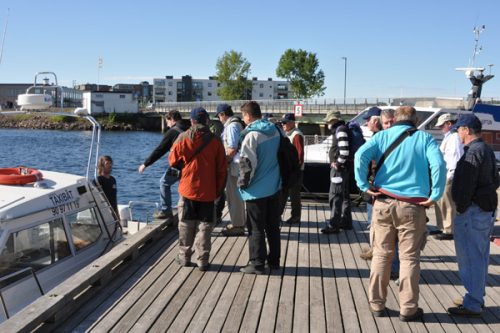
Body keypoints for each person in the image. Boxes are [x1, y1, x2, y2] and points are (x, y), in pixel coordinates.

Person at [354, 106, 446, 322]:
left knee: (381, 255)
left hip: (383, 203)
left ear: (395, 119)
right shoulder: (425, 139)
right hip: (413, 207)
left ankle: (376, 304)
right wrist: (436, 194)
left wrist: (362, 184)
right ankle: (408, 308)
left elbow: (360, 156)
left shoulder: (383, 136)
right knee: (409, 258)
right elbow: (439, 165)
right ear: (415, 120)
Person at [447, 114, 499, 317]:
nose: (458, 134)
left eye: (459, 130)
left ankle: (473, 303)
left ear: (466, 130)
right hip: (485, 210)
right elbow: (495, 180)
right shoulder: (486, 149)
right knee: (480, 255)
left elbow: (466, 185)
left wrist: (460, 206)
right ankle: (476, 295)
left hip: (473, 212)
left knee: (470, 257)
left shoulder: (472, 152)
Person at [168, 107, 227, 271]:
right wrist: (218, 191)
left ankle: (184, 257)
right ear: (206, 121)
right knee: (205, 227)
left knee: (186, 224)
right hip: (208, 191)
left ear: (192, 121)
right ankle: (203, 260)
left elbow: (172, 160)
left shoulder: (183, 137)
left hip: (188, 189)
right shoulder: (215, 141)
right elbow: (222, 169)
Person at [238, 101, 282, 275]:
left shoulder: (252, 136)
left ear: (248, 116)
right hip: (274, 186)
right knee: (272, 225)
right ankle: (274, 261)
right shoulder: (276, 130)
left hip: (256, 190)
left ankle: (257, 263)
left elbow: (247, 165)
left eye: (243, 116)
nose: (243, 119)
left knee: (256, 227)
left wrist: (243, 185)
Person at [138, 110, 189, 223]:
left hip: (178, 167)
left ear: (172, 119)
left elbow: (160, 150)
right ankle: (185, 212)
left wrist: (145, 164)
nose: (167, 125)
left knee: (164, 182)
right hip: (190, 166)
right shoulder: (188, 128)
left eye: (167, 122)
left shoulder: (173, 132)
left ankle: (166, 211)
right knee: (184, 189)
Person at [431, 113, 463, 240]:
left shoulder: (454, 138)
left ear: (449, 124)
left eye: (441, 125)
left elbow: (455, 158)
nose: (440, 128)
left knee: (447, 203)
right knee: (440, 202)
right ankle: (442, 227)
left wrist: (450, 176)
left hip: (448, 175)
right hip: (444, 174)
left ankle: (449, 229)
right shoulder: (449, 137)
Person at [216, 103, 246, 236]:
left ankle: (238, 225)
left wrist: (223, 163)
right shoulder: (236, 124)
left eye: (218, 116)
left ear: (222, 114)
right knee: (235, 196)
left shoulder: (232, 126)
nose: (219, 119)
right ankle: (239, 222)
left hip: (234, 167)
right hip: (237, 166)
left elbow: (232, 149)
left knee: (234, 196)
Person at [321, 110, 352, 234]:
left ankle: (334, 224)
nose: (327, 124)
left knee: (335, 196)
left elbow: (344, 151)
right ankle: (346, 222)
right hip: (344, 168)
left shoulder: (340, 130)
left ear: (333, 120)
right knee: (344, 195)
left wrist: (337, 163)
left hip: (339, 169)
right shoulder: (342, 129)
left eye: (328, 121)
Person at [278, 113, 304, 224]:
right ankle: (278, 215)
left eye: (285, 122)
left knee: (294, 195)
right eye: (282, 122)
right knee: (284, 194)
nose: (283, 124)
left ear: (292, 122)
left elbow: (299, 155)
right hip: (288, 170)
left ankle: (296, 216)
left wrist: (295, 170)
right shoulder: (288, 134)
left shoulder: (296, 135)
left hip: (294, 171)